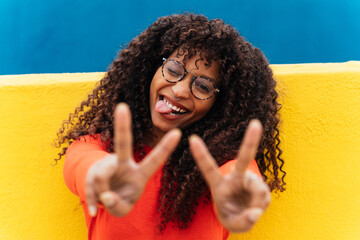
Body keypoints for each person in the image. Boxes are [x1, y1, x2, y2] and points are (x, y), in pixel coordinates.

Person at [55, 13, 286, 240]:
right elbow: (84, 166)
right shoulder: (97, 147)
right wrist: (104, 175)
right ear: (151, 70)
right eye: (174, 71)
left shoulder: (223, 166)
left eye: (203, 87)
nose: (179, 91)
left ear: (221, 104)